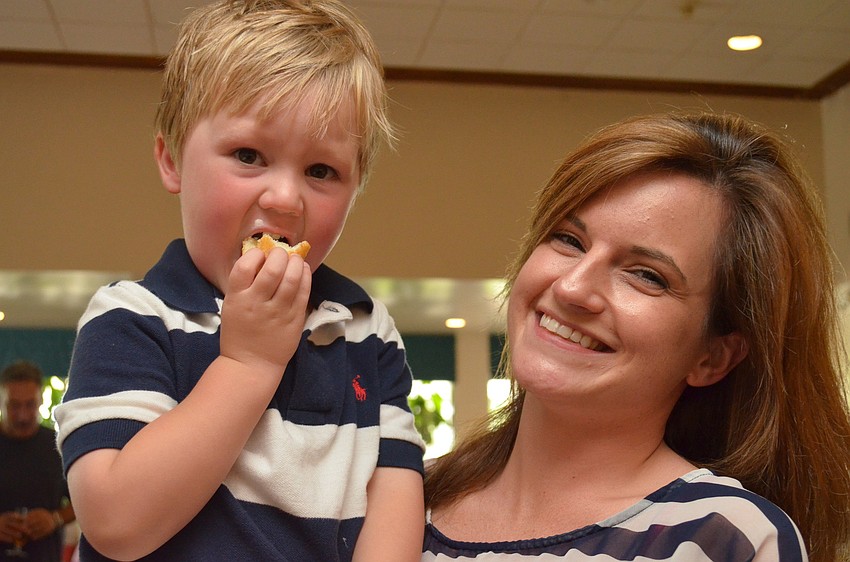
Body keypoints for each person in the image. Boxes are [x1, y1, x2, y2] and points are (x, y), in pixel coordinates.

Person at [53, 1, 425, 560]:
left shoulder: (366, 329)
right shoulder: (132, 317)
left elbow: (394, 499)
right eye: (249, 155)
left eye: (321, 171)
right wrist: (249, 364)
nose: (283, 198)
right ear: (173, 160)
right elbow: (115, 521)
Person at [422, 112, 850, 562]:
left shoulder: (727, 537)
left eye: (646, 275)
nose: (572, 288)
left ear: (712, 357)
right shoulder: (399, 496)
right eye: (569, 240)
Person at [0, 361, 75, 562]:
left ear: (41, 400)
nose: (23, 415)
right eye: (14, 405)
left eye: (30, 404)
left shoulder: (59, 447)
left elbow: (84, 501)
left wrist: (55, 519)